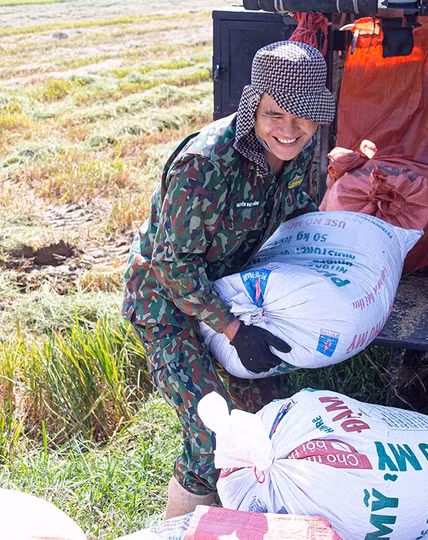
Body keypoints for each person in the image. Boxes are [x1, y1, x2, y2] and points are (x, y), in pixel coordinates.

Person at [121, 41, 335, 518]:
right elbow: (173, 266)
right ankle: (180, 528)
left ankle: (254, 520)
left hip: (230, 291)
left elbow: (296, 212)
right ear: (254, 105)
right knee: (210, 436)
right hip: (166, 304)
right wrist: (234, 330)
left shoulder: (295, 150)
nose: (288, 130)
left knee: (271, 423)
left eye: (302, 117)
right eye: (275, 114)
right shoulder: (207, 164)